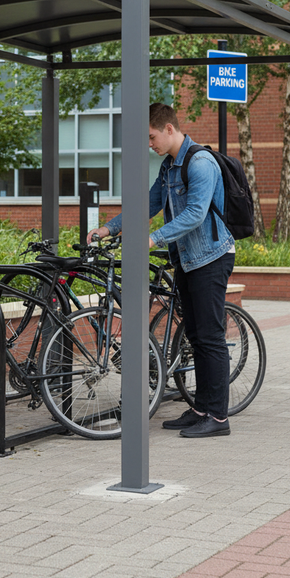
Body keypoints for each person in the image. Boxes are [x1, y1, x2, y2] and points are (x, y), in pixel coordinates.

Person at [88, 103, 235, 438]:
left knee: (211, 337)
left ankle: (218, 418)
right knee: (196, 336)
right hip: (187, 258)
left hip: (211, 257)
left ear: (169, 129)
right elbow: (149, 204)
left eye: (152, 137)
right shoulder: (170, 167)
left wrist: (151, 239)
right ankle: (201, 408)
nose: (149, 144)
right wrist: (109, 229)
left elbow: (196, 214)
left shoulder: (200, 163)